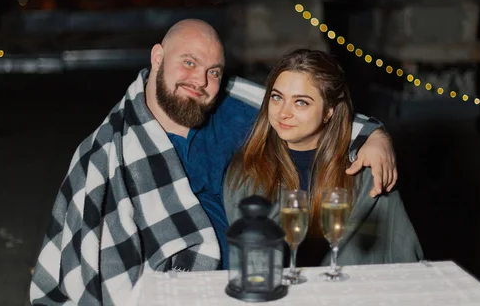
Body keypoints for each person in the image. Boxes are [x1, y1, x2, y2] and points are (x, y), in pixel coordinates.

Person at [30, 19, 398, 305]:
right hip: (176, 291)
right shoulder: (109, 151)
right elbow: (99, 263)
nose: (201, 81)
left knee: (370, 182)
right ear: (158, 57)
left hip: (257, 276)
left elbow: (305, 113)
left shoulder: (231, 112)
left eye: (214, 72)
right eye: (188, 62)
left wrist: (374, 136)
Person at [225, 49, 423, 268]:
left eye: (301, 102)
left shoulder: (363, 170)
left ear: (329, 111)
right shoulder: (249, 170)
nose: (283, 112)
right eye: (277, 97)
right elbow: (249, 260)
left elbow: (395, 251)